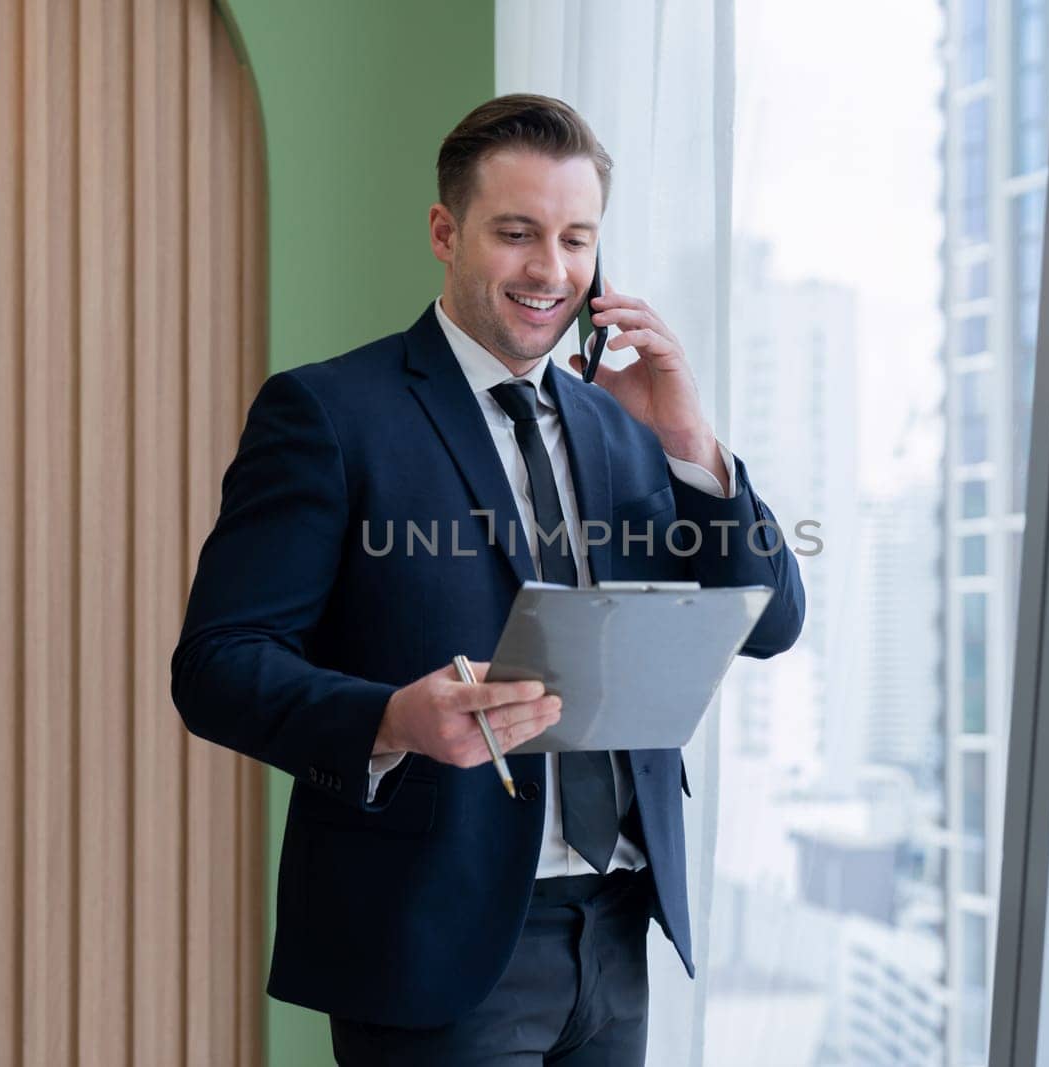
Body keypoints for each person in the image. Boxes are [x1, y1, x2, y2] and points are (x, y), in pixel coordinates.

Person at [171, 93, 805, 1066]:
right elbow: (217, 663)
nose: (549, 269)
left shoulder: (628, 427)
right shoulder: (330, 413)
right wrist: (390, 718)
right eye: (516, 233)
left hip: (617, 929)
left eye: (575, 238)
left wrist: (689, 440)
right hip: (433, 934)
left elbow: (769, 622)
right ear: (445, 230)